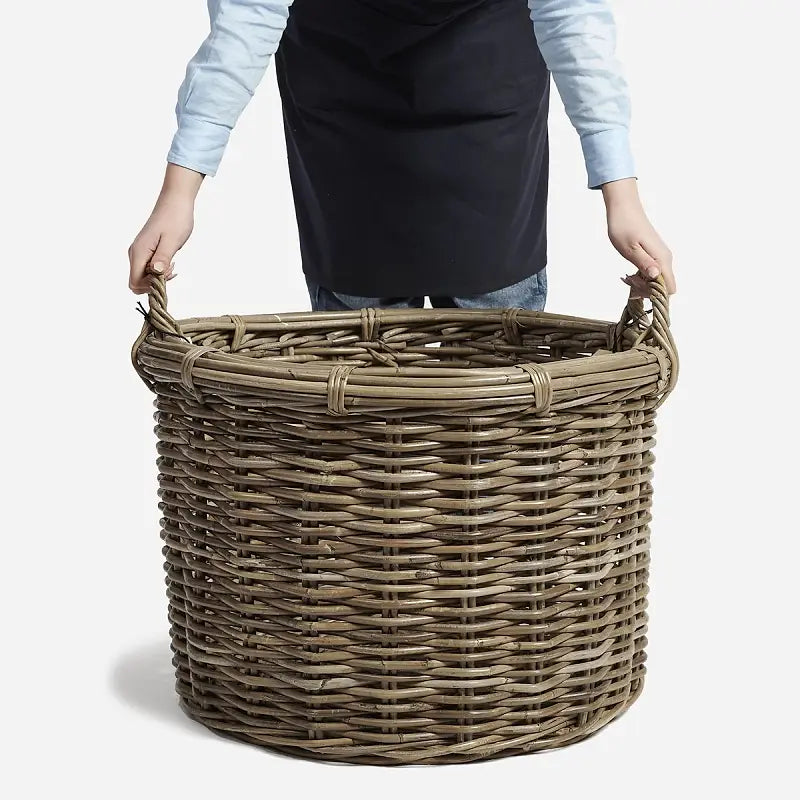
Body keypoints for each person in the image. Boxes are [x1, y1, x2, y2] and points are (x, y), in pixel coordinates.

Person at [128, 0, 676, 311]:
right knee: (361, 423)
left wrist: (621, 194)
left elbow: (573, 19)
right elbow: (245, 24)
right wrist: (179, 192)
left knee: (497, 413)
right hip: (345, 125)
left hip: (489, 122)